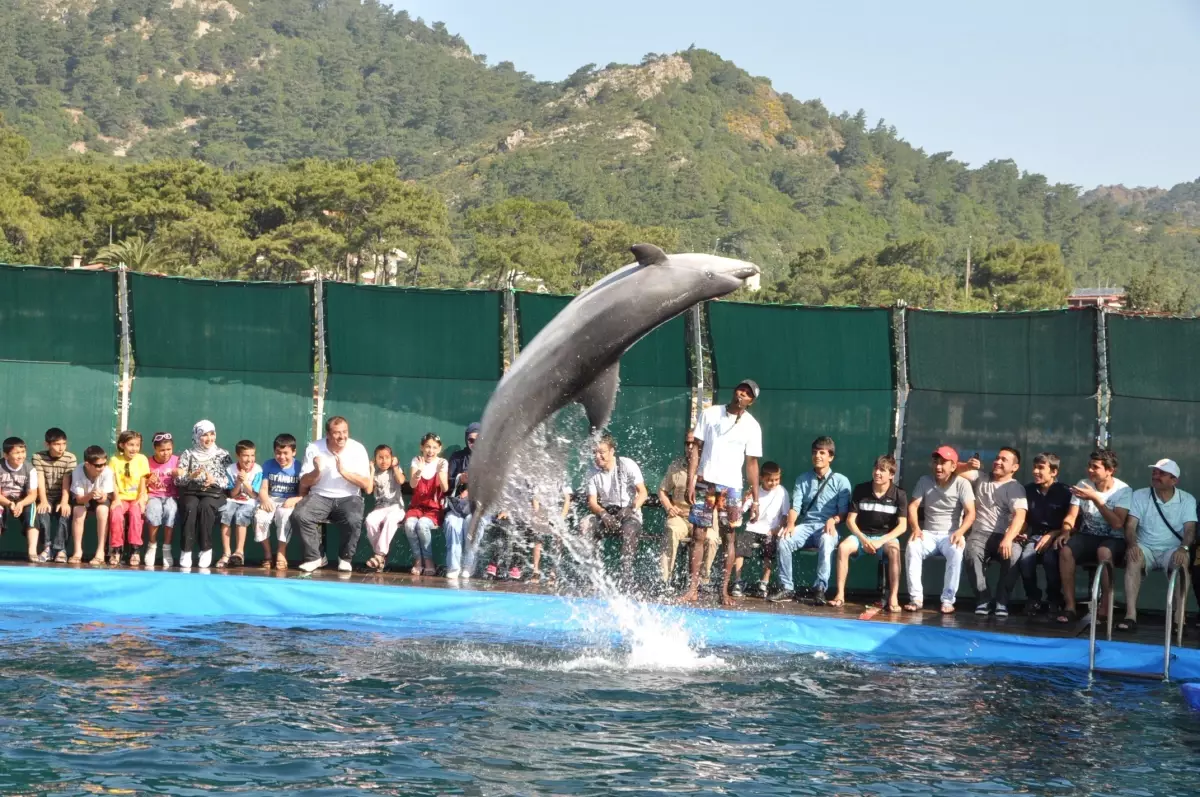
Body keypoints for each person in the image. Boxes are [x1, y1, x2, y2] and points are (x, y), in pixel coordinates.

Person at [685, 380, 763, 604]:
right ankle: (693, 588)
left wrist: (756, 501)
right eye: (740, 389)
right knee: (698, 535)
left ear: (751, 401)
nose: (742, 394)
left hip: (732, 487)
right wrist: (691, 481)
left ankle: (723, 590)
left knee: (729, 537)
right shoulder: (710, 414)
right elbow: (696, 448)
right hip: (706, 481)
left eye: (747, 393)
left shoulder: (752, 425)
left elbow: (752, 464)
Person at [1116, 458, 1196, 633]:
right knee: (1133, 558)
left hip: (1173, 549)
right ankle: (1130, 616)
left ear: (1174, 480)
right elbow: (1130, 526)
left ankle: (1178, 619)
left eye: (1161, 473)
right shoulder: (1140, 495)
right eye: (1154, 472)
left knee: (1182, 562)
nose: (1156, 476)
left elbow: (1190, 530)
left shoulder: (1187, 499)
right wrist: (1132, 544)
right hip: (1146, 547)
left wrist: (1184, 548)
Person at [769, 436, 852, 605]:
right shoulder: (802, 479)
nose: (817, 456)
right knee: (784, 539)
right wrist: (791, 524)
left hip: (828, 527)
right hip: (806, 526)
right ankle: (787, 587)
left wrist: (834, 520)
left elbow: (844, 512)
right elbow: (796, 507)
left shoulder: (841, 481)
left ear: (831, 457)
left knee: (827, 539)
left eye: (822, 452)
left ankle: (820, 588)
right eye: (814, 452)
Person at [1056, 449, 1129, 624]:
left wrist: (1096, 499)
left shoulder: (1123, 491)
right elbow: (1071, 516)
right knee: (1066, 551)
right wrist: (1065, 531)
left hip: (1115, 539)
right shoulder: (1083, 484)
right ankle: (1070, 607)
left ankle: (1105, 607)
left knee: (1104, 552)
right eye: (1089, 466)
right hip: (1088, 536)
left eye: (1095, 467)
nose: (1089, 470)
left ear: (1109, 470)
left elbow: (1118, 523)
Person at [290, 416, 372, 572]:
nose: (342, 437)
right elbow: (305, 481)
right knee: (300, 515)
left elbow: (366, 484)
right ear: (328, 434)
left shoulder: (358, 449)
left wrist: (343, 472)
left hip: (349, 497)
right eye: (337, 433)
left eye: (345, 432)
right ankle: (315, 558)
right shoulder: (314, 448)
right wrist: (316, 471)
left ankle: (345, 558)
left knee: (353, 519)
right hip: (320, 496)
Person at [905, 446, 976, 614]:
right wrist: (915, 528)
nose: (938, 467)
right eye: (936, 462)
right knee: (912, 547)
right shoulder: (924, 481)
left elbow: (971, 513)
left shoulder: (962, 483)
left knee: (956, 551)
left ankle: (948, 600)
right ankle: (916, 598)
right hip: (927, 533)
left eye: (944, 463)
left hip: (951, 534)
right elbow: (913, 506)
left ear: (953, 466)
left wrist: (960, 532)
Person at [832, 455, 908, 611]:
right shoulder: (861, 490)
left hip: (886, 538)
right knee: (843, 548)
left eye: (882, 470)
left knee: (894, 550)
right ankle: (839, 595)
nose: (877, 473)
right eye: (876, 469)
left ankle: (893, 597)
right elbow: (850, 521)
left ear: (892, 475)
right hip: (862, 535)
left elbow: (902, 526)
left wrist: (881, 541)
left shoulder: (900, 494)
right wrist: (863, 540)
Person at [962, 448, 1028, 617]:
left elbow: (1020, 516)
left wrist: (1007, 539)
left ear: (1015, 467)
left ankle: (1001, 602)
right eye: (997, 458)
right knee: (971, 551)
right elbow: (952, 469)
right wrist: (967, 465)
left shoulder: (1016, 488)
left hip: (1004, 536)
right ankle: (983, 600)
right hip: (980, 533)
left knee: (1014, 553)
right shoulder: (980, 477)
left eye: (1004, 460)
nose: (998, 462)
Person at [1009, 452, 1076, 616]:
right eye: (1034, 467)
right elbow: (1024, 518)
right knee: (1025, 560)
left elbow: (1074, 523)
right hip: (1035, 536)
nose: (1035, 471)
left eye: (1041, 468)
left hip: (1058, 537)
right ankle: (1033, 598)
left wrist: (1053, 534)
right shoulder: (1028, 490)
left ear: (1054, 472)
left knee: (1050, 560)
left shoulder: (1066, 492)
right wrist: (1022, 531)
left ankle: (1054, 599)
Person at [582, 432, 648, 588]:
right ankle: (593, 573)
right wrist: (603, 513)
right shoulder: (591, 472)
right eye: (595, 453)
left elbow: (643, 493)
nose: (598, 456)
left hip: (629, 512)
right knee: (585, 525)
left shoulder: (626, 464)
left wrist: (631, 508)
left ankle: (626, 577)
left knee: (629, 530)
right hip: (606, 513)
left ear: (612, 451)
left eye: (602, 452)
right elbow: (592, 502)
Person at [174, 420, 232, 570]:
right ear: (197, 436)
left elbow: (229, 480)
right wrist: (190, 476)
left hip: (214, 494)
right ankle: (186, 550)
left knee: (206, 506)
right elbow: (178, 480)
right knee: (190, 506)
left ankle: (206, 549)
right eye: (204, 435)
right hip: (191, 491)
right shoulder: (188, 454)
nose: (209, 439)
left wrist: (214, 481)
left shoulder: (223, 455)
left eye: (212, 434)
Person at [735, 461, 790, 599]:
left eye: (776, 479)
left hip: (771, 531)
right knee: (741, 545)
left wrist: (778, 528)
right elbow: (742, 509)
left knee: (769, 550)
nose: (774, 483)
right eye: (770, 480)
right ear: (761, 478)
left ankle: (764, 582)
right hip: (752, 528)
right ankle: (738, 581)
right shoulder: (755, 491)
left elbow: (785, 515)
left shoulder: (782, 492)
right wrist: (744, 499)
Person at [255, 433, 302, 570]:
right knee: (259, 517)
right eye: (278, 453)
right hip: (270, 499)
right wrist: (264, 499)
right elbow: (263, 488)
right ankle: (268, 554)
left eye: (285, 453)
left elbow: (304, 493)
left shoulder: (299, 467)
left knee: (285, 516)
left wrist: (294, 499)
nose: (281, 457)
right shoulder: (268, 465)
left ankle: (281, 553)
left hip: (288, 501)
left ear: (294, 452)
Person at [657, 430, 697, 590]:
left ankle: (703, 582)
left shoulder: (708, 468)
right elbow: (662, 491)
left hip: (700, 518)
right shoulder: (675, 466)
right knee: (671, 530)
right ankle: (665, 581)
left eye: (693, 443)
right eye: (687, 443)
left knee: (712, 538)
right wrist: (669, 506)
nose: (690, 446)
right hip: (679, 516)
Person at [404, 433, 448, 576]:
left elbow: (445, 488)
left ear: (439, 448)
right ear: (421, 447)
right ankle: (418, 559)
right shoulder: (417, 461)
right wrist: (419, 471)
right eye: (428, 447)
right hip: (417, 507)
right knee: (410, 524)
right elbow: (412, 484)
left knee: (422, 524)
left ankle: (428, 560)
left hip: (433, 509)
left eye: (434, 447)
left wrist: (439, 472)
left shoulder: (442, 463)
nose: (431, 451)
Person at [32, 428, 75, 563]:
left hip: (63, 495)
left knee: (65, 513)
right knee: (42, 512)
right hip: (46, 496)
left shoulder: (70, 457)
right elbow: (40, 480)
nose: (61, 448)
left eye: (63, 444)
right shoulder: (38, 457)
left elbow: (67, 481)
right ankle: (47, 547)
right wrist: (43, 501)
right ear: (47, 444)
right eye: (57, 444)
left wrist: (64, 502)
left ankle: (60, 549)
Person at [217, 440, 261, 568]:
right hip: (233, 500)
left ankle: (239, 552)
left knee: (241, 515)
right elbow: (232, 494)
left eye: (252, 455)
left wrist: (246, 482)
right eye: (245, 455)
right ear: (238, 456)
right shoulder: (230, 470)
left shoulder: (258, 470)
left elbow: (254, 495)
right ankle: (226, 553)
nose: (249, 459)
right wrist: (238, 482)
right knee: (226, 513)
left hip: (250, 502)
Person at [109, 430, 150, 566]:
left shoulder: (142, 459)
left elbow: (143, 480)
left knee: (136, 513)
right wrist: (116, 499)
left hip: (136, 497)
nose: (134, 448)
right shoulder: (114, 460)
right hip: (120, 497)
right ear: (122, 445)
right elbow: (113, 481)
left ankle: (135, 549)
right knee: (116, 514)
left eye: (137, 445)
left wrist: (141, 498)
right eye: (130, 445)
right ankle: (116, 549)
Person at [444, 422, 479, 579]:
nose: (474, 444)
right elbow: (447, 483)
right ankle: (453, 566)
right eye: (471, 440)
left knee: (471, 523)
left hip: (478, 507)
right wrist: (460, 478)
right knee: (451, 522)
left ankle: (468, 565)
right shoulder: (457, 457)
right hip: (457, 506)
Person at [69, 445, 114, 565]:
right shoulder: (77, 471)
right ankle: (77, 552)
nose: (102, 467)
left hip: (99, 499)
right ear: (87, 464)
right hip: (83, 498)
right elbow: (79, 500)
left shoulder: (108, 472)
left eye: (104, 463)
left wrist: (100, 496)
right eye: (98, 465)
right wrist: (90, 495)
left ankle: (100, 552)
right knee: (78, 511)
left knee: (103, 510)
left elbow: (105, 497)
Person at [365, 444, 406, 571]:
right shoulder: (375, 473)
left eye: (387, 457)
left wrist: (395, 466)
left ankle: (380, 554)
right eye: (380, 458)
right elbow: (368, 490)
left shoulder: (395, 469)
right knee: (370, 521)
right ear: (375, 459)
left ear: (392, 458)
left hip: (396, 508)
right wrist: (371, 470)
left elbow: (401, 481)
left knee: (390, 520)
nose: (384, 461)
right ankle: (380, 557)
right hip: (379, 509)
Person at [0, 437, 39, 561]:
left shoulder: (30, 469)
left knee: (32, 511)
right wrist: (9, 503)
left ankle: (32, 552)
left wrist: (21, 504)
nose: (21, 456)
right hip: (4, 500)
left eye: (23, 452)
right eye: (17, 453)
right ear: (6, 455)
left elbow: (33, 495)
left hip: (23, 500)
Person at [143, 432, 178, 568]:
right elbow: (141, 482)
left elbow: (182, 479)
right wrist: (147, 480)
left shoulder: (177, 461)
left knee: (171, 509)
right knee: (154, 509)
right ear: (155, 449)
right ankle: (152, 546)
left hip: (171, 496)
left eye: (169, 449)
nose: (165, 453)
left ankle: (167, 548)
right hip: (153, 495)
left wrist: (178, 475)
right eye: (162, 450)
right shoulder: (147, 462)